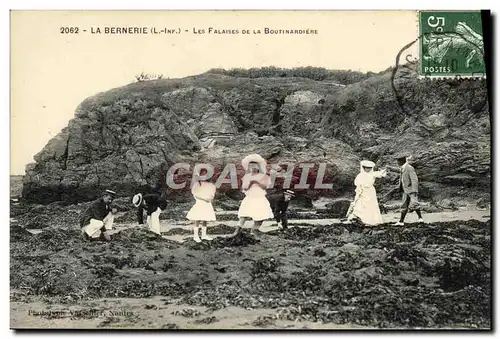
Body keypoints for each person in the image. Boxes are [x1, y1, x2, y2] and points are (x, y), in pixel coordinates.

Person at [232, 154, 274, 237]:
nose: (253, 168)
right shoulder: (247, 176)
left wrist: (257, 182)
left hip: (260, 197)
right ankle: (236, 232)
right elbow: (244, 188)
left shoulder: (264, 176)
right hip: (250, 197)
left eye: (255, 166)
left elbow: (265, 187)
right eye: (251, 166)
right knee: (244, 215)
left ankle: (253, 231)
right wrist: (251, 183)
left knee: (261, 216)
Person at [344, 160, 387, 226]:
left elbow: (381, 173)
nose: (368, 169)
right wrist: (358, 193)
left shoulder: (372, 174)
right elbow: (359, 186)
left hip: (370, 191)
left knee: (371, 205)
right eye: (367, 168)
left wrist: (384, 169)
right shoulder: (360, 176)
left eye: (370, 168)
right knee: (360, 205)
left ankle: (371, 220)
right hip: (363, 192)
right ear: (363, 168)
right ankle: (359, 219)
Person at [186, 170, 217, 243]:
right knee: (198, 219)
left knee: (205, 219)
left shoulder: (210, 185)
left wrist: (209, 198)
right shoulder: (198, 184)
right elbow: (195, 194)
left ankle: (204, 235)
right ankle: (196, 236)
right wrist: (204, 198)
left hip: (207, 203)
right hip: (200, 203)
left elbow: (212, 194)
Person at [394, 155, 424, 226]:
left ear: (402, 161)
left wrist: (414, 190)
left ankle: (420, 218)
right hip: (405, 190)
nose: (397, 163)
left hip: (411, 189)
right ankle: (401, 221)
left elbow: (414, 179)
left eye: (398, 161)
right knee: (404, 205)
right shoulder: (403, 167)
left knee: (415, 203)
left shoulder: (409, 168)